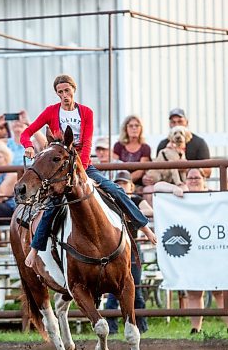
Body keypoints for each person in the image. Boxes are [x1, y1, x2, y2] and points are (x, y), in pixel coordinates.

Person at [20, 74, 157, 268]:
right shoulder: (51, 111)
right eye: (60, 92)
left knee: (115, 190)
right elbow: (27, 132)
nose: (64, 95)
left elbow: (87, 142)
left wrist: (81, 170)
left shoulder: (85, 112)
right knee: (52, 206)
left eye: (67, 90)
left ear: (73, 90)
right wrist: (28, 145)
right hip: (61, 169)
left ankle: (145, 228)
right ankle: (35, 250)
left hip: (82, 165)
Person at [154, 168, 228, 334]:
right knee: (194, 291)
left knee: (220, 291)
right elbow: (158, 186)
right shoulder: (182, 194)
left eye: (197, 177)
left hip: (214, 249)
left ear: (204, 179)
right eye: (190, 177)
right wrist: (174, 188)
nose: (193, 180)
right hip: (192, 253)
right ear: (185, 180)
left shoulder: (214, 195)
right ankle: (196, 329)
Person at [105, 170, 153, 334]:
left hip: (131, 249)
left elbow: (149, 211)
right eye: (118, 184)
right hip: (112, 249)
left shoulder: (136, 200)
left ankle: (141, 326)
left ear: (131, 186)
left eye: (124, 183)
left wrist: (130, 213)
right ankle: (112, 328)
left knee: (135, 288)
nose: (121, 186)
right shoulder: (109, 201)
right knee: (113, 288)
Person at [113, 115, 151, 190]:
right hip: (119, 182)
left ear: (141, 128)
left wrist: (126, 182)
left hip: (137, 184)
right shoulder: (118, 146)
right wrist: (121, 182)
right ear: (125, 129)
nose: (134, 128)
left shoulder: (145, 147)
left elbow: (141, 170)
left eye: (137, 125)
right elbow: (114, 166)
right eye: (131, 126)